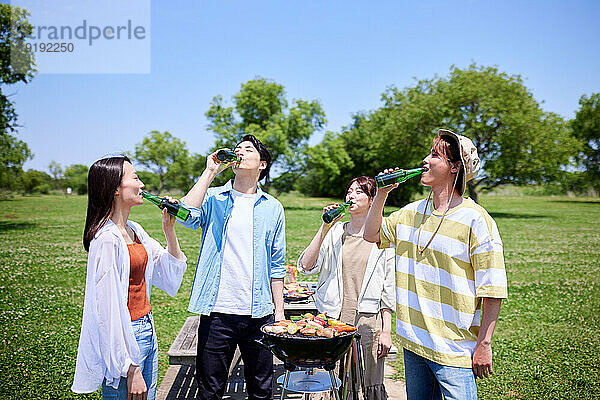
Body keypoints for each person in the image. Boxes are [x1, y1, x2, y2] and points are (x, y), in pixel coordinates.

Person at [363, 129, 508, 400]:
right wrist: (381, 193)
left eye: (434, 155)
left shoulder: (477, 220)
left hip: (453, 349)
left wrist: (484, 344)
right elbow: (371, 234)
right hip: (415, 342)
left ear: (455, 167)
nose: (425, 160)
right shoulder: (411, 212)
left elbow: (492, 288)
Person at [177, 134, 286, 400]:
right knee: (210, 390)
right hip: (217, 312)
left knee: (261, 389)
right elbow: (184, 215)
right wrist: (210, 171)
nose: (240, 152)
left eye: (248, 150)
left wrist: (280, 313)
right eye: (237, 149)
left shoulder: (273, 208)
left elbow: (277, 264)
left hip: (259, 313)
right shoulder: (213, 198)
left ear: (262, 164)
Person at [71, 156, 187, 400]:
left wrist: (169, 230)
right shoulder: (105, 240)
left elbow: (168, 273)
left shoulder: (135, 229)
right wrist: (129, 367)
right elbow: (107, 312)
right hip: (125, 338)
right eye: (135, 178)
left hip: (147, 329)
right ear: (114, 189)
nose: (142, 184)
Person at [297, 176, 396, 400]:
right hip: (332, 318)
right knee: (333, 379)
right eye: (349, 191)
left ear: (373, 200)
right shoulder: (334, 233)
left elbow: (389, 287)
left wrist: (386, 330)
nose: (351, 195)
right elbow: (306, 266)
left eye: (359, 191)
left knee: (368, 381)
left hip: (367, 321)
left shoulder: (383, 237)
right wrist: (325, 226)